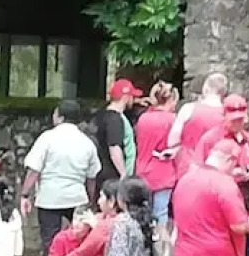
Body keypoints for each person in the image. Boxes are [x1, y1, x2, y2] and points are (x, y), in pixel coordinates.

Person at [195, 95, 249, 256]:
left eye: (241, 118)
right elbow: (198, 175)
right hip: (217, 211)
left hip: (244, 207)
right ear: (223, 115)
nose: (237, 122)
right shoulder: (210, 140)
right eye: (233, 118)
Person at [22, 98, 100, 256]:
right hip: (77, 197)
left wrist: (25, 194)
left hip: (50, 198)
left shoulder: (47, 138)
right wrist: (90, 201)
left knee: (50, 242)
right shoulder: (87, 142)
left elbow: (34, 170)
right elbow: (91, 177)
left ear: (59, 116)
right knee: (80, 240)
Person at [135, 80, 181, 224]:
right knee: (161, 212)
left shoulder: (143, 118)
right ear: (171, 99)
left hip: (143, 170)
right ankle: (159, 244)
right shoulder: (172, 120)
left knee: (143, 212)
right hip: (164, 172)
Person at [167, 71, 228, 175]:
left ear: (205, 89)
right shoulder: (226, 115)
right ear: (224, 92)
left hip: (188, 169)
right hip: (216, 172)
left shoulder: (188, 109)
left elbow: (172, 141)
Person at [93, 77, 143, 187]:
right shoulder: (115, 120)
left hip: (104, 171)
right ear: (125, 97)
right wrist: (123, 174)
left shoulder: (103, 114)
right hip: (114, 176)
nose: (133, 99)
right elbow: (114, 147)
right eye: (132, 96)